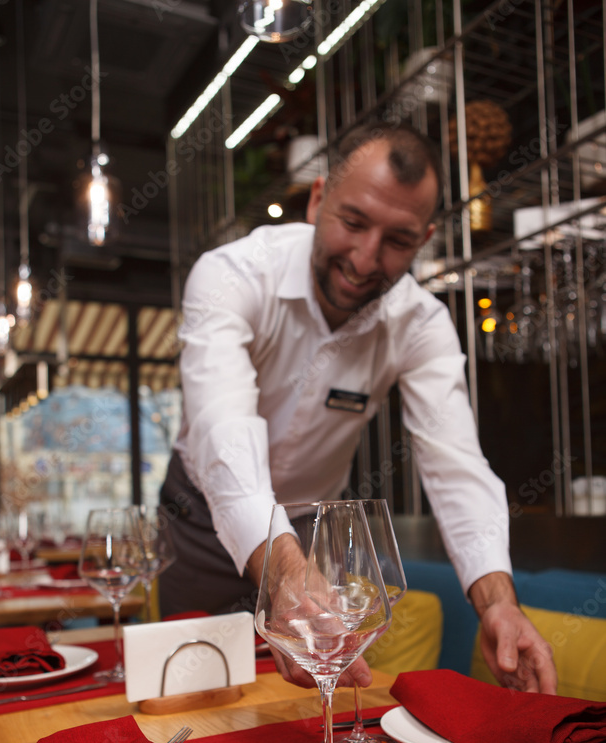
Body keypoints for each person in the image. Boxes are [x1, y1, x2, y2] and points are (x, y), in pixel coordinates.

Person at [158, 122, 557, 696]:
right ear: (319, 199)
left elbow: (457, 467)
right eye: (353, 222)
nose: (366, 258)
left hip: (310, 529)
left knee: (303, 712)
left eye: (397, 240)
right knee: (190, 699)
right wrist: (286, 575)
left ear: (422, 240)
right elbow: (223, 437)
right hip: (198, 519)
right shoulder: (233, 275)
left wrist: (498, 603)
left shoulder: (421, 326)